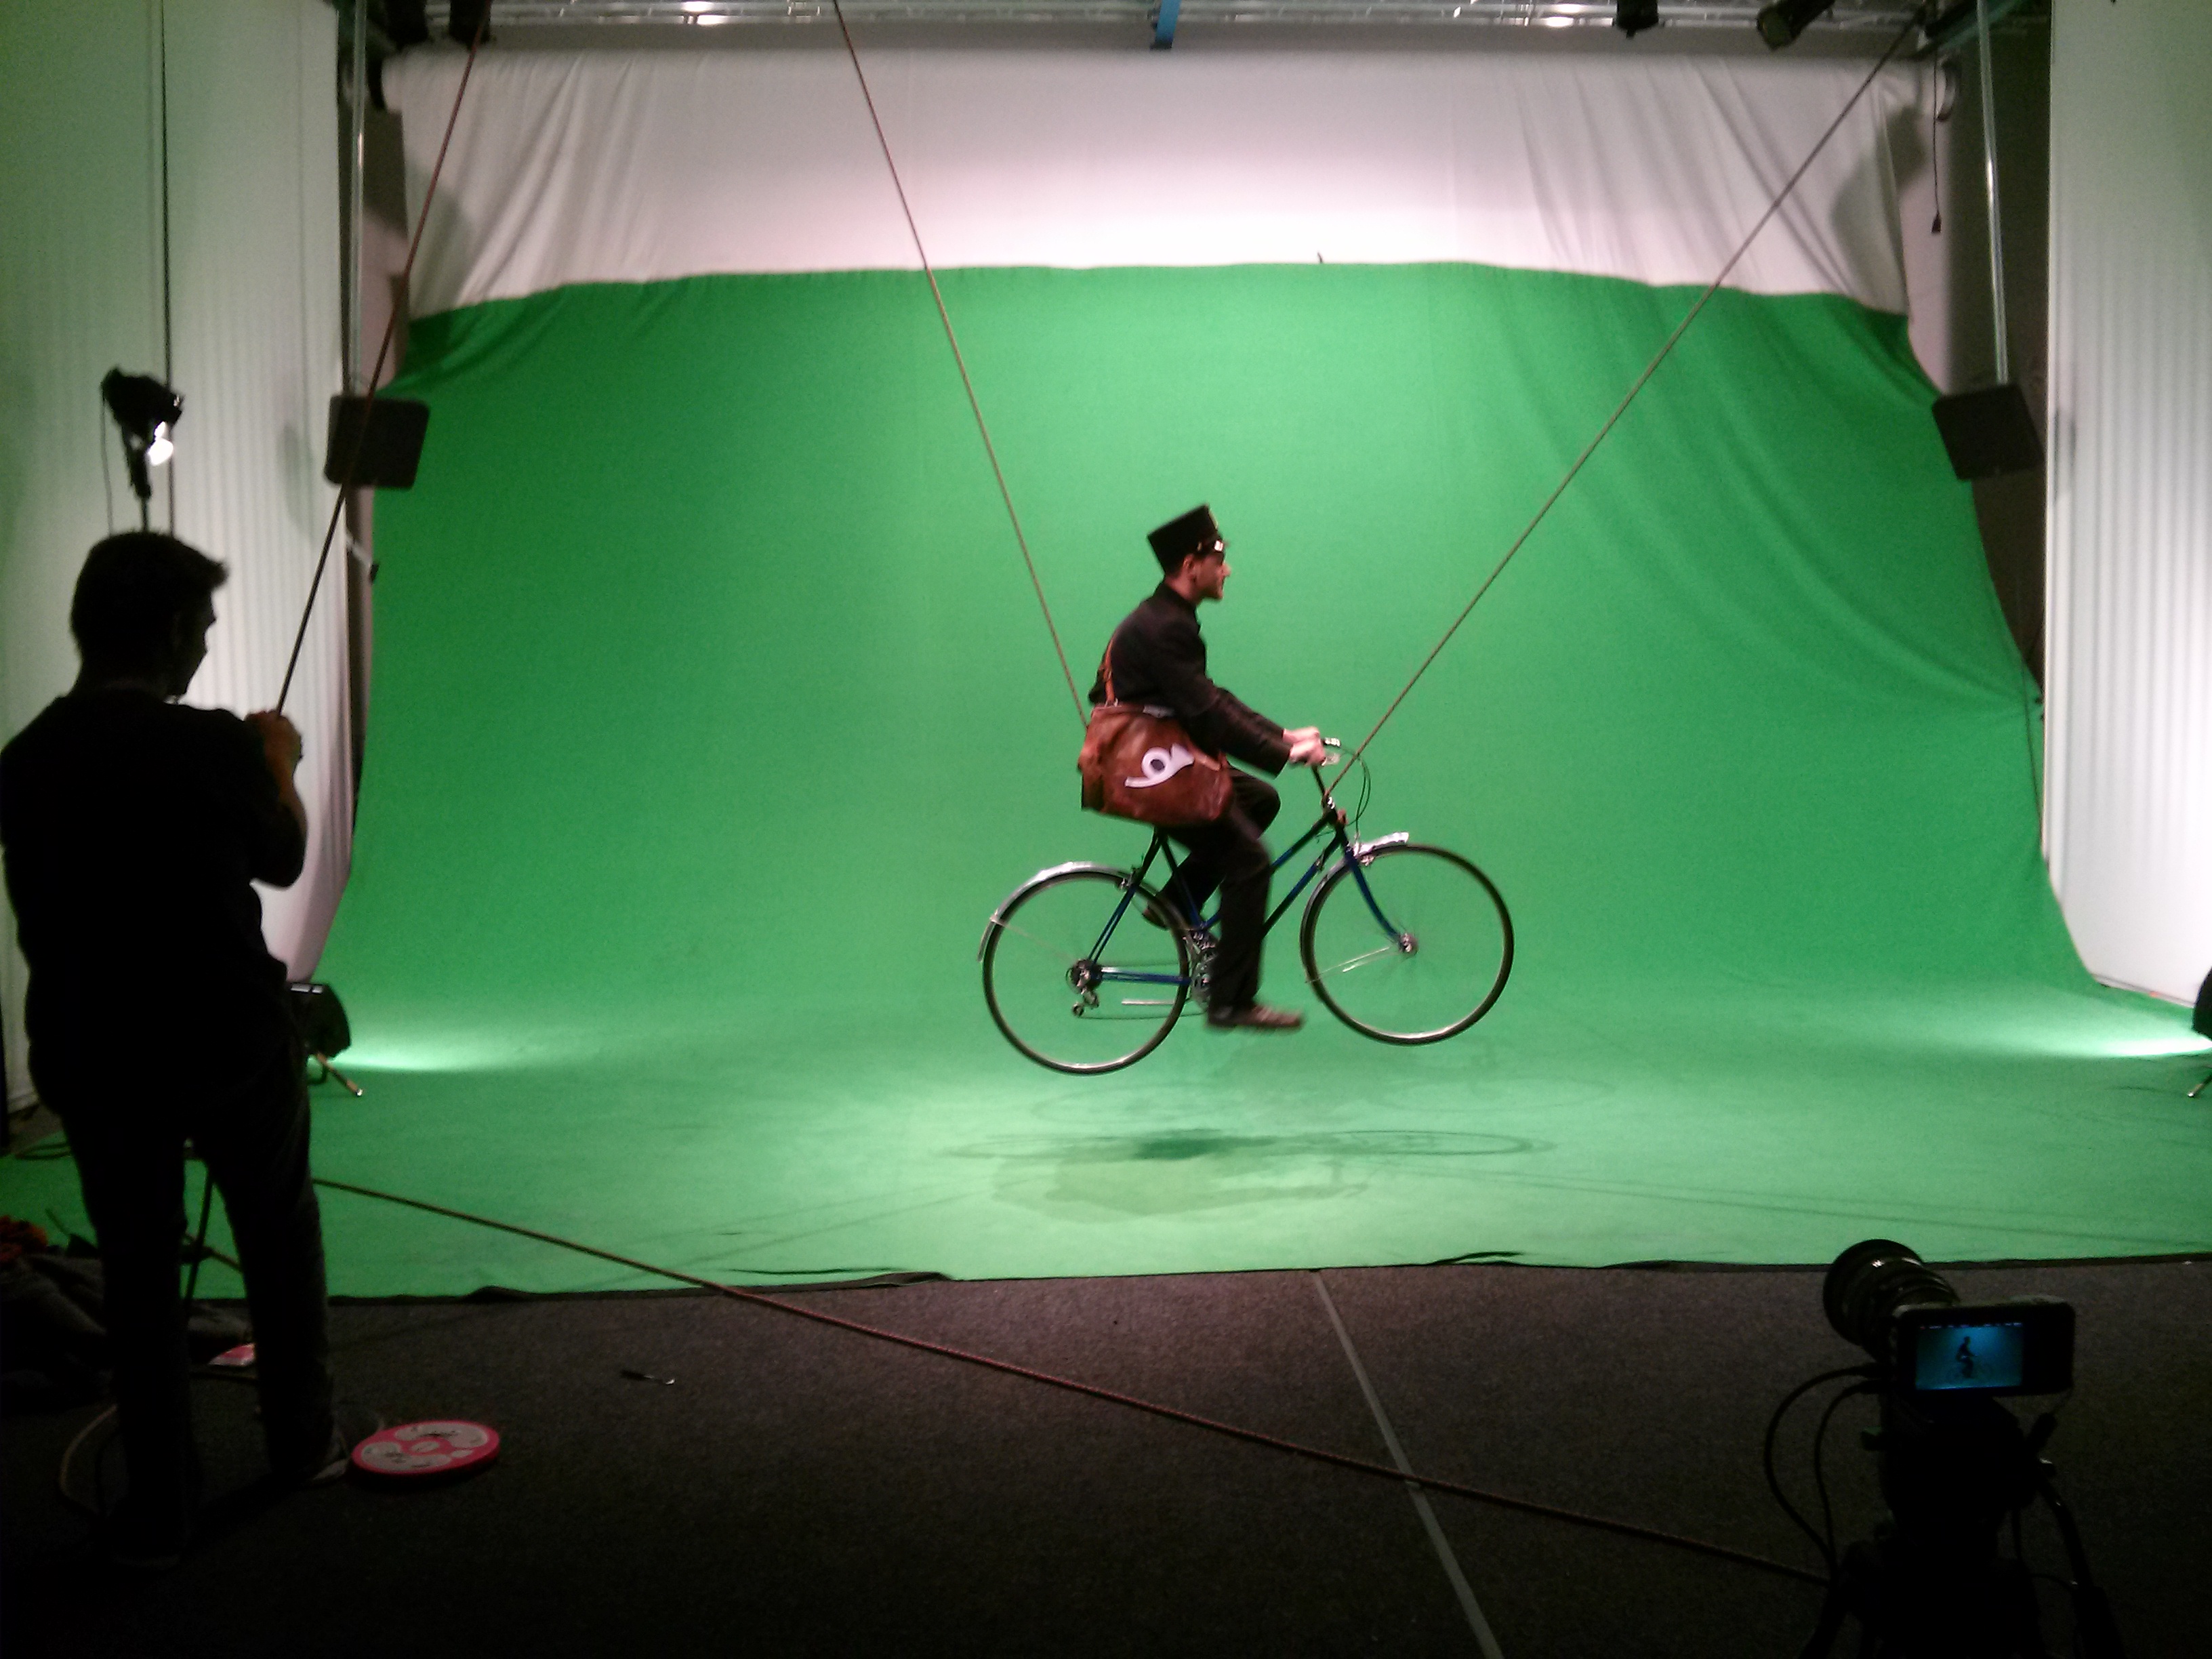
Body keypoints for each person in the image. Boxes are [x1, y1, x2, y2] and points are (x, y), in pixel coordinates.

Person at [0, 532, 340, 1566]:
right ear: (171, 631)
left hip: (93, 1053)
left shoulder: (26, 758)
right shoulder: (211, 746)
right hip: (228, 1039)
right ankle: (300, 1445)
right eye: (202, 627)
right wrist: (277, 758)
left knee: (139, 1275)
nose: (205, 647)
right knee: (277, 1238)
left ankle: (163, 1503)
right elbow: (285, 856)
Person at [1090, 506, 1328, 1032]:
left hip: (1156, 761)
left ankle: (1176, 904)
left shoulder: (1168, 619)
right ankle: (1230, 1002)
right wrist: (1284, 755)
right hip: (1145, 774)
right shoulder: (1164, 628)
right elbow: (1206, 715)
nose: (1227, 569)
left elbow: (1211, 697)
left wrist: (1282, 736)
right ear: (1190, 564)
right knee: (1250, 863)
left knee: (1260, 799)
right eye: (1219, 559)